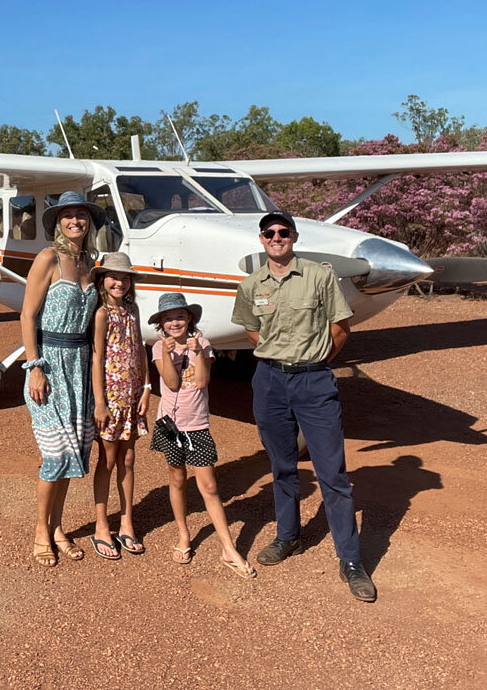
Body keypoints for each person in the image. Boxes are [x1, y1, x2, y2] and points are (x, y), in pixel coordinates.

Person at [230, 209, 376, 602]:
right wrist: (278, 355)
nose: (276, 238)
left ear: (293, 236)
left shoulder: (319, 276)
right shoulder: (251, 285)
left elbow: (340, 327)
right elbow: (250, 328)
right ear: (261, 240)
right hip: (269, 381)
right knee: (281, 467)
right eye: (269, 233)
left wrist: (315, 362)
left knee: (333, 475)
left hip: (313, 381)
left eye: (283, 232)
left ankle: (350, 561)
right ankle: (287, 536)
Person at [20, 191, 105, 567]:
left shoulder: (89, 262)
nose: (75, 221)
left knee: (72, 454)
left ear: (90, 222)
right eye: (68, 215)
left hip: (80, 367)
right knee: (53, 456)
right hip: (50, 365)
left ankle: (58, 528)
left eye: (81, 215)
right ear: (58, 221)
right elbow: (26, 315)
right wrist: (33, 366)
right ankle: (41, 530)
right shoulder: (47, 258)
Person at [148, 293, 255, 579]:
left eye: (180, 317)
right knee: (177, 478)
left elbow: (202, 381)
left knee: (208, 486)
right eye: (168, 319)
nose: (175, 323)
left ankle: (228, 548)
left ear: (190, 319)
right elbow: (170, 383)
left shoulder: (204, 345)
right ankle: (183, 534)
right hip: (170, 424)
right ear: (160, 323)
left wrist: (195, 352)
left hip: (197, 425)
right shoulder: (159, 349)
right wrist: (170, 353)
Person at [88, 251, 151, 560]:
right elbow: (98, 357)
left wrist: (147, 387)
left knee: (128, 459)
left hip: (133, 394)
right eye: (113, 277)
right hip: (111, 398)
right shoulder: (102, 314)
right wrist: (100, 403)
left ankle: (127, 522)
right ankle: (101, 525)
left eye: (124, 277)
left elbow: (139, 347)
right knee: (108, 459)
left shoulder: (133, 310)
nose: (119, 282)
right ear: (103, 280)